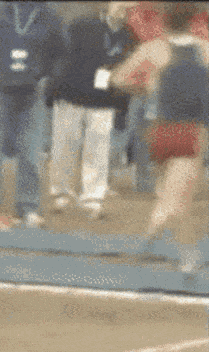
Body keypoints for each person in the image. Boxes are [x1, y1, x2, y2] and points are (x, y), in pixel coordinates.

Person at [111, 2, 209, 272]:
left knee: (170, 192)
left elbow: (118, 79)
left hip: (160, 130)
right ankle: (177, 253)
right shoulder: (205, 49)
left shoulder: (154, 48)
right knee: (179, 199)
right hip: (191, 131)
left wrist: (147, 88)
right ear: (194, 21)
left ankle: (155, 242)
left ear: (164, 21)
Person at [0, 1, 65, 227]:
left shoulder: (50, 15)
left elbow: (62, 54)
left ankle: (29, 207)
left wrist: (48, 79)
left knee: (31, 151)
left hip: (33, 92)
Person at [47, 2, 136, 219]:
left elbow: (127, 72)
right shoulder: (82, 26)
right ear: (109, 5)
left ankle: (93, 198)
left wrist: (121, 104)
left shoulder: (128, 37)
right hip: (71, 96)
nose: (123, 9)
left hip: (104, 101)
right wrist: (54, 90)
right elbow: (61, 57)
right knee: (64, 146)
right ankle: (61, 193)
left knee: (98, 150)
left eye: (128, 6)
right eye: (119, 4)